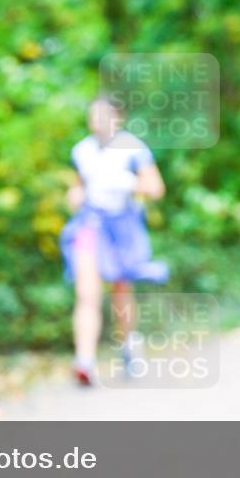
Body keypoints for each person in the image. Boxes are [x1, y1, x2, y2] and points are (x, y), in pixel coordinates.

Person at [59, 97, 167, 386]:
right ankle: (85, 360)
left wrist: (128, 182)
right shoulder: (81, 151)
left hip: (122, 227)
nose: (97, 121)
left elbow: (156, 188)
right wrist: (75, 196)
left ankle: (129, 343)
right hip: (90, 224)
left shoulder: (133, 149)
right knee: (87, 291)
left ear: (118, 118)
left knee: (120, 288)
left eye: (103, 115)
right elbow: (77, 188)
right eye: (93, 115)